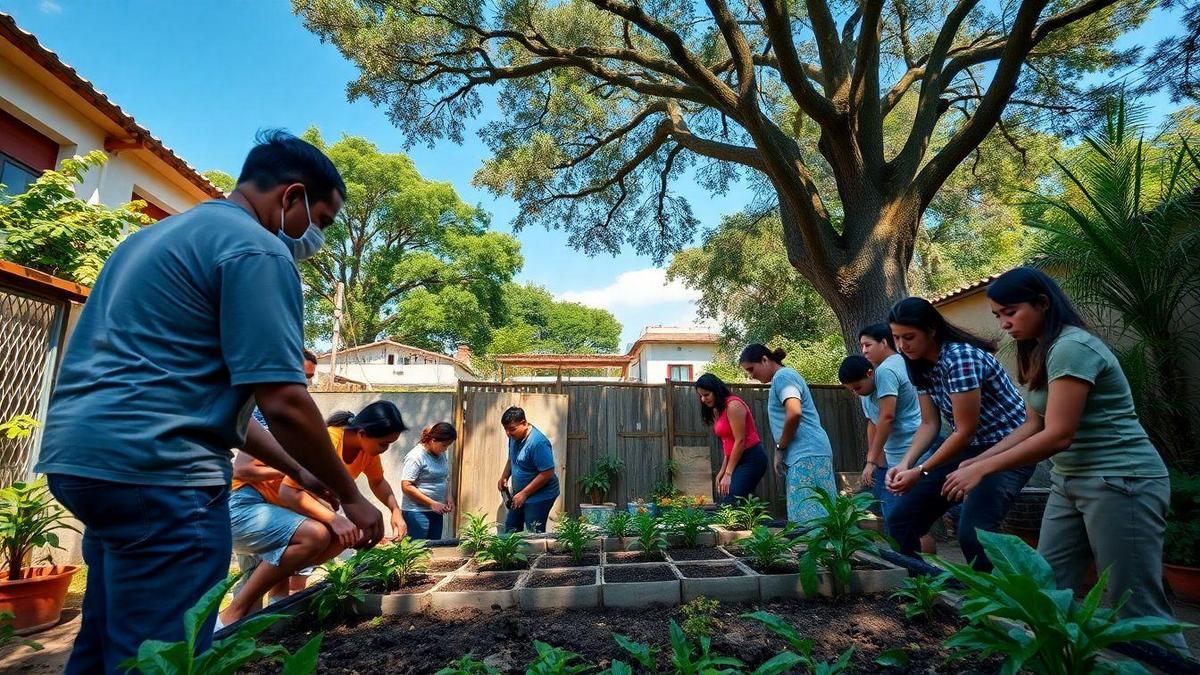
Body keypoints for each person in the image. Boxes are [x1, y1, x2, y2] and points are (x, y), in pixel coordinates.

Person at [34, 130, 383, 672]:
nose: (319, 237)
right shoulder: (257, 250)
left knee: (107, 637)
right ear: (290, 197)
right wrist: (352, 498)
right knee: (165, 652)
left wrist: (301, 471)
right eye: (324, 220)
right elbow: (285, 400)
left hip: (83, 462)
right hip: (162, 473)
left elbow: (221, 411)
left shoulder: (154, 238)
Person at [940, 267, 1188, 652]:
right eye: (998, 316)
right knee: (1046, 592)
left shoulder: (1073, 347)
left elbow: (1058, 435)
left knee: (1136, 606)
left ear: (1042, 303)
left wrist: (984, 469)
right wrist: (974, 462)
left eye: (1011, 312)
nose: (1004, 324)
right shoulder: (1039, 350)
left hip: (1122, 480)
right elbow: (1033, 424)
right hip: (1069, 482)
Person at [220, 401, 408, 626]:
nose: (385, 449)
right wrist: (334, 518)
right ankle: (231, 614)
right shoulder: (328, 440)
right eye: (384, 444)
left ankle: (274, 620)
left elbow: (378, 482)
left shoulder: (367, 452)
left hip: (275, 509)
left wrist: (395, 510)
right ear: (362, 433)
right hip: (244, 503)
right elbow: (288, 490)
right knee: (315, 535)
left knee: (341, 537)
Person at [884, 297, 1034, 571]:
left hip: (1010, 448)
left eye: (909, 337)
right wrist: (905, 464)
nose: (902, 346)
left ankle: (991, 604)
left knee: (974, 534)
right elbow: (929, 424)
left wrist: (920, 471)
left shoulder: (960, 358)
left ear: (931, 330)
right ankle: (923, 593)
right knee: (900, 521)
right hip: (970, 448)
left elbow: (965, 431)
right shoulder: (917, 363)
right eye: (896, 338)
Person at [739, 344, 836, 525]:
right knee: (820, 515)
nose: (751, 375)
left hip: (807, 454)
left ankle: (819, 554)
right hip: (809, 452)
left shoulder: (784, 376)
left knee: (809, 518)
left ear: (765, 359)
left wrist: (780, 447)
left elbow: (794, 412)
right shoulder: (782, 378)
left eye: (751, 369)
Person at [695, 373, 767, 503]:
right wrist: (722, 471)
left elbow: (740, 441)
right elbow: (728, 444)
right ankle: (752, 523)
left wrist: (728, 474)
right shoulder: (717, 410)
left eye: (706, 395)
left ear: (716, 390)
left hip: (751, 458)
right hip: (736, 459)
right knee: (735, 501)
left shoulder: (733, 405)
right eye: (700, 396)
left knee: (731, 500)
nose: (703, 399)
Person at [498, 406, 560, 533]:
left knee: (533, 531)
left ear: (524, 423)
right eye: (505, 430)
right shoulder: (514, 438)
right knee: (511, 527)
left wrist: (525, 493)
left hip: (541, 495)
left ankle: (535, 553)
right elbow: (512, 458)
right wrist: (504, 476)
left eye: (512, 429)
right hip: (520, 495)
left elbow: (547, 472)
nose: (508, 433)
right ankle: (512, 553)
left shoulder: (538, 443)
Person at [399, 422, 458, 539]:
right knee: (417, 551)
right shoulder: (416, 457)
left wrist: (449, 498)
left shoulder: (441, 455)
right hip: (417, 512)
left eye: (448, 446)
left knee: (434, 550)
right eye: (444, 445)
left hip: (436, 511)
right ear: (433, 440)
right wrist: (432, 503)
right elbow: (406, 486)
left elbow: (445, 478)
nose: (445, 449)